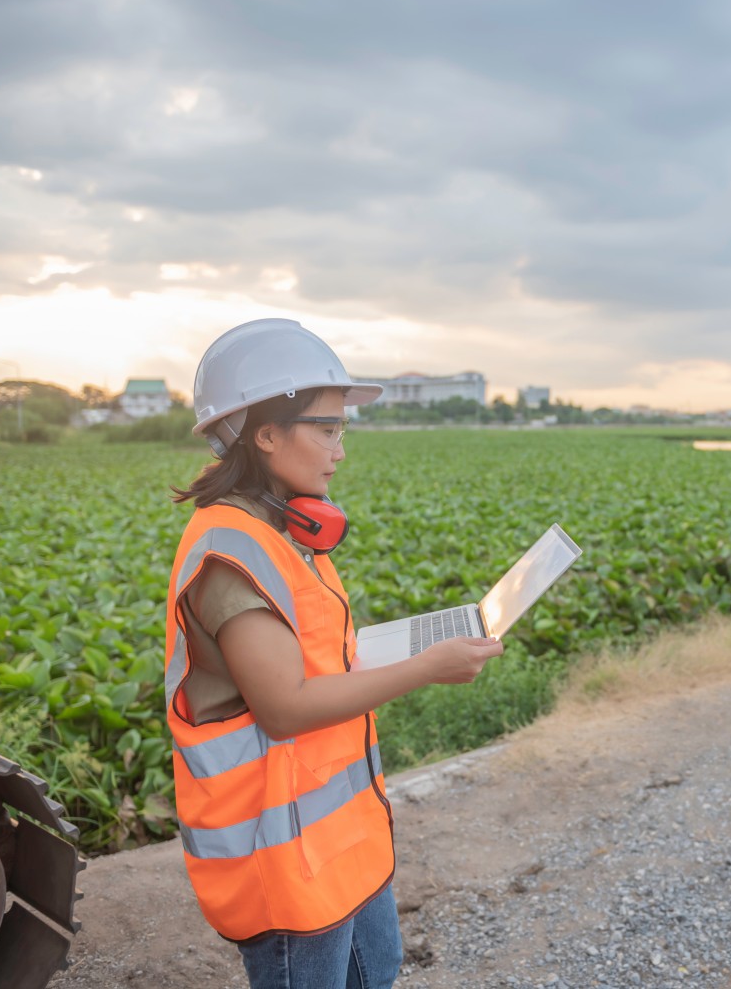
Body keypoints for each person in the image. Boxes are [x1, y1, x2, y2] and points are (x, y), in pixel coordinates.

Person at [163, 318, 502, 989]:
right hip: (282, 859)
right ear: (264, 435)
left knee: (374, 973)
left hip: (340, 837)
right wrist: (425, 668)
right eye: (327, 428)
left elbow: (312, 655)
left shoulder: (281, 527)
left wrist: (398, 646)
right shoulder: (230, 551)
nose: (339, 449)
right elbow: (284, 707)